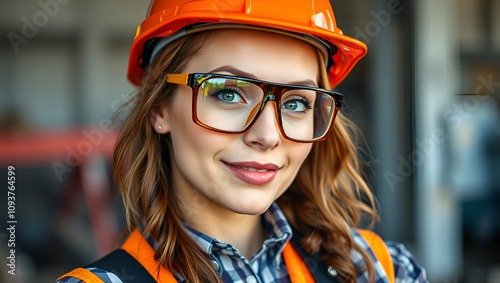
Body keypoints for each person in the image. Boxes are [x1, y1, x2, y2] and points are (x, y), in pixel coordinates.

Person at [57, 0, 427, 282]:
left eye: (296, 102)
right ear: (159, 110)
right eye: (228, 93)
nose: (267, 136)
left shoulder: (377, 269)